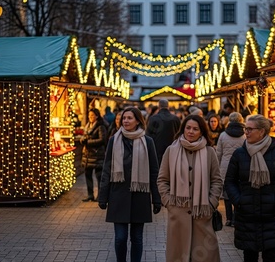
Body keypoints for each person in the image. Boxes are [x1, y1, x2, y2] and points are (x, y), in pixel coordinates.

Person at [225, 114, 275, 262]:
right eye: (246, 129)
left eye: (250, 129)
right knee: (249, 257)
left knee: (271, 257)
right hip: (246, 215)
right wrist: (239, 201)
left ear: (262, 131)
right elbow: (230, 181)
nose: (246, 132)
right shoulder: (240, 154)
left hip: (271, 215)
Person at [97, 107, 161, 262]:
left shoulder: (148, 141)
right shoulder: (114, 140)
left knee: (137, 238)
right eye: (124, 118)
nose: (125, 121)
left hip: (140, 196)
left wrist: (157, 198)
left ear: (138, 120)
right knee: (120, 238)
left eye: (129, 118)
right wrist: (102, 196)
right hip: (118, 195)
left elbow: (154, 171)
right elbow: (107, 168)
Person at [157, 114, 223, 262]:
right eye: (188, 128)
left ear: (202, 131)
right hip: (178, 214)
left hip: (202, 213)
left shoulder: (209, 152)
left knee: (204, 256)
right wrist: (169, 203)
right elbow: (162, 180)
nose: (191, 132)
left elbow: (217, 181)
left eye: (195, 129)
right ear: (183, 129)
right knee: (179, 256)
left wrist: (211, 203)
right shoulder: (171, 150)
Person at [216, 112, 245, 226]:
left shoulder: (223, 135)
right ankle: (236, 217)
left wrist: (217, 167)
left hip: (225, 166)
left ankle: (229, 218)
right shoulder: (244, 135)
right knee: (239, 191)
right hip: (240, 166)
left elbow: (219, 153)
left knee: (227, 193)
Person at [81, 108, 108, 202]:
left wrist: (88, 142)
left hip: (97, 155)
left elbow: (102, 140)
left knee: (99, 176)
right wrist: (82, 139)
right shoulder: (87, 126)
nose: (90, 117)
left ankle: (100, 195)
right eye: (89, 115)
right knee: (87, 175)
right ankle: (90, 195)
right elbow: (85, 136)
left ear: (97, 116)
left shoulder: (100, 126)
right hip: (88, 155)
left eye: (92, 115)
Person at [146, 99, 181, 165]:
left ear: (159, 106)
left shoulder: (153, 118)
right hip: (173, 147)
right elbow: (179, 133)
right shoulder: (175, 118)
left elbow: (148, 135)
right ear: (168, 106)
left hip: (157, 149)